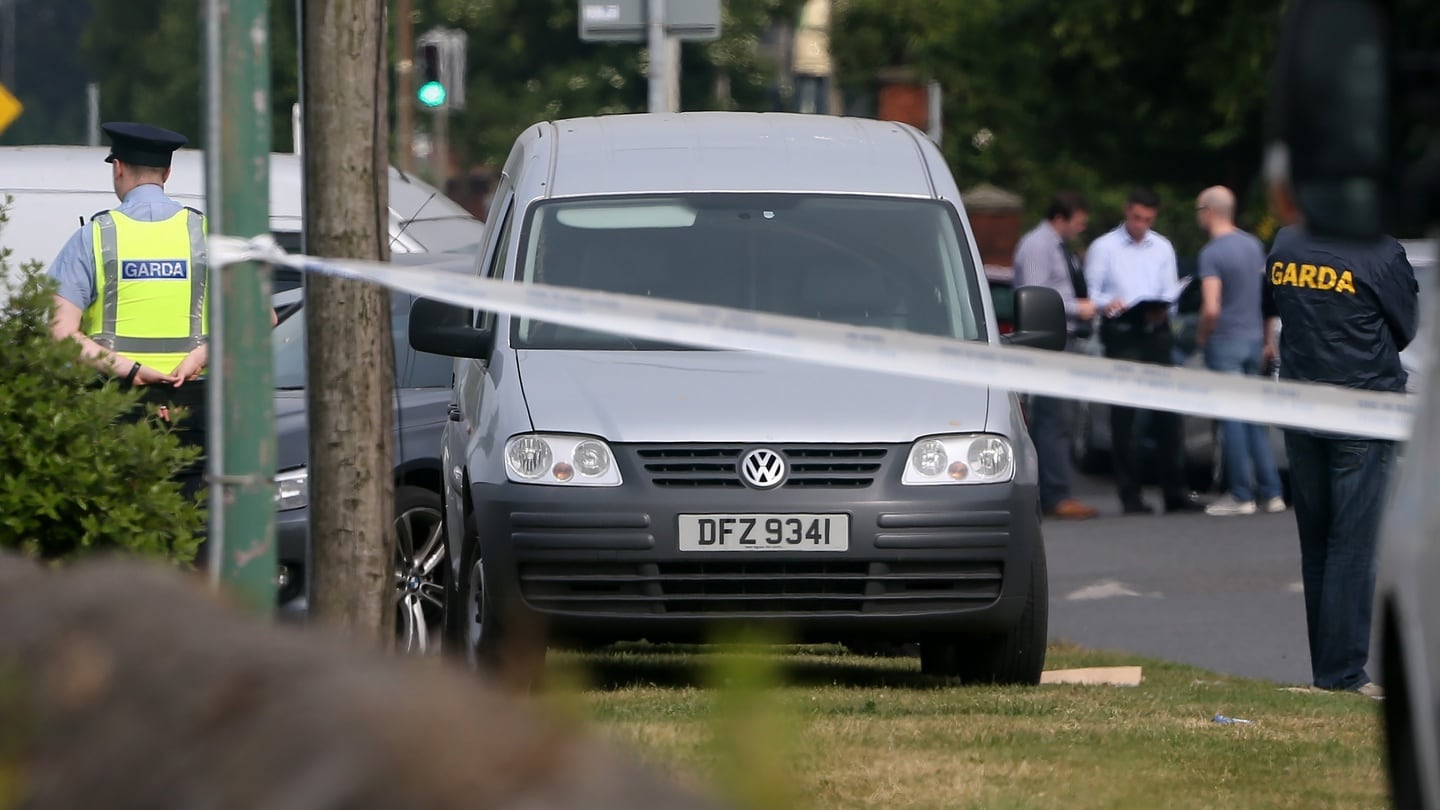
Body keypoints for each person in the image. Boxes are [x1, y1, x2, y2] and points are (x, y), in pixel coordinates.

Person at [1262, 151, 1419, 695]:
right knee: (1353, 547)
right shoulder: (1380, 251)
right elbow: (1405, 328)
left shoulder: (1284, 244)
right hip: (1363, 407)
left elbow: (1280, 308)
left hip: (1302, 407)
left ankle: (1326, 671)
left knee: (1318, 545)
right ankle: (1342, 674)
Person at [47, 122, 211, 511]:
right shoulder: (205, 232)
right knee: (190, 528)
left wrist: (131, 369)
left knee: (118, 531)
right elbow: (261, 319)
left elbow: (60, 333)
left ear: (117, 168)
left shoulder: (96, 235)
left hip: (114, 409)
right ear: (167, 173)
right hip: (192, 410)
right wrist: (201, 355)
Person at [1084, 188, 1203, 515]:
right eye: (1136, 218)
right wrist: (1108, 303)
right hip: (1122, 332)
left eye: (1147, 220)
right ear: (1127, 212)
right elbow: (1091, 294)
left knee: (1167, 414)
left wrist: (1165, 308)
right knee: (1126, 418)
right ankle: (1130, 493)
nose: (1141, 225)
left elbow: (1169, 290)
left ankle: (1174, 491)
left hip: (1155, 331)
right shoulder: (1104, 247)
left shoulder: (1162, 246)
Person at [1194, 186, 1286, 517]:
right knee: (1254, 421)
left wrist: (1203, 337)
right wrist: (1267, 339)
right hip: (1253, 340)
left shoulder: (1212, 254)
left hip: (1226, 340)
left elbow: (1211, 307)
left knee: (1231, 419)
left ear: (1209, 211)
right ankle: (1272, 492)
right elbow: (1267, 299)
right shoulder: (1253, 246)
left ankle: (1241, 493)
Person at [1012, 191, 1100, 520]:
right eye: (1078, 223)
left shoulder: (1056, 246)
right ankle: (1054, 495)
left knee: (1062, 419)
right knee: (1054, 419)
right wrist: (1080, 307)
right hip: (1049, 342)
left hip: (1064, 338)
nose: (1080, 229)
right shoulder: (1038, 245)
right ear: (1060, 218)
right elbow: (1036, 296)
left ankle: (1055, 491)